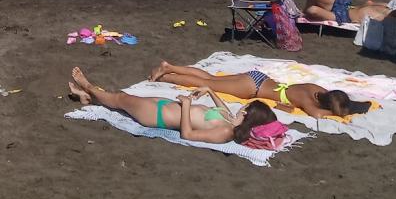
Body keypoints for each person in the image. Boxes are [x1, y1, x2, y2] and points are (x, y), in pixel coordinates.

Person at [66, 67, 279, 145]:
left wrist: (186, 105)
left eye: (246, 108)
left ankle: (88, 86)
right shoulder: (230, 120)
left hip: (157, 115)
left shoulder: (225, 131)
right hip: (165, 106)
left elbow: (187, 134)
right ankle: (87, 98)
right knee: (122, 96)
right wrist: (210, 92)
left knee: (119, 100)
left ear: (249, 116)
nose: (242, 108)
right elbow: (222, 108)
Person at [146, 62, 373, 120]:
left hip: (258, 78)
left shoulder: (315, 90)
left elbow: (330, 100)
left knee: (211, 79)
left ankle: (170, 67)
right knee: (208, 84)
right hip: (251, 88)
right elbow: (317, 115)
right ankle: (167, 75)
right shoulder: (310, 104)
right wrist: (337, 113)